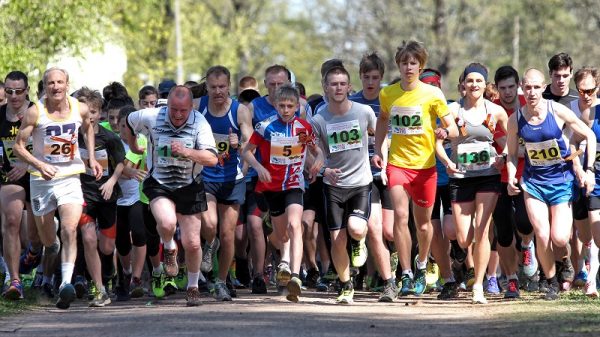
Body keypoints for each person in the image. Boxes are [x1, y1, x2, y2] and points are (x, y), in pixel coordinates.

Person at [373, 40, 458, 297]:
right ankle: (406, 273)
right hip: (398, 164)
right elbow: (383, 121)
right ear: (398, 65)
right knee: (400, 216)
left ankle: (422, 264)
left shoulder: (432, 94)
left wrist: (444, 131)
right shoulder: (388, 94)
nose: (409, 67)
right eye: (404, 63)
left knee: (423, 225)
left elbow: (453, 128)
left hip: (425, 166)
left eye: (414, 63)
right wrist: (379, 150)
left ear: (420, 66)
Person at [13, 67, 103, 309]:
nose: (55, 87)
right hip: (41, 179)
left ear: (67, 83)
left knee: (70, 228)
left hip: (70, 175)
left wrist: (91, 158)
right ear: (45, 85)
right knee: (48, 240)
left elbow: (88, 127)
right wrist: (39, 164)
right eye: (51, 83)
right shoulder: (35, 112)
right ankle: (45, 249)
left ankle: (65, 284)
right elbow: (18, 146)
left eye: (60, 82)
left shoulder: (79, 108)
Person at [122, 85, 217, 306]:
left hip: (189, 184)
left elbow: (211, 159)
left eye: (183, 111)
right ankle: (169, 248)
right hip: (159, 183)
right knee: (166, 222)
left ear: (191, 107)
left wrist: (187, 152)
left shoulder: (200, 122)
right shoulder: (151, 116)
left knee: (193, 242)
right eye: (173, 109)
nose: (177, 115)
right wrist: (134, 145)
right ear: (167, 104)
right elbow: (127, 121)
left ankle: (193, 287)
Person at [506, 68, 596, 300]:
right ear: (522, 89)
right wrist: (511, 176)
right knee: (542, 235)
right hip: (533, 183)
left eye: (536, 87)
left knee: (560, 237)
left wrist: (587, 170)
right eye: (528, 87)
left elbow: (589, 135)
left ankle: (564, 259)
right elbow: (512, 155)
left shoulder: (556, 111)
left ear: (543, 87)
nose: (532, 92)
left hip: (561, 181)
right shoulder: (515, 119)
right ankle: (551, 281)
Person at [435, 63, 508, 304]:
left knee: (483, 229)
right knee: (464, 238)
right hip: (460, 177)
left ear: (484, 84)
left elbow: (509, 140)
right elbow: (438, 142)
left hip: (488, 176)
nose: (474, 85)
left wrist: (503, 157)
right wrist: (446, 161)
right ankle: (465, 259)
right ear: (463, 84)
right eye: (470, 81)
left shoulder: (496, 111)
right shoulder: (452, 110)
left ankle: (478, 284)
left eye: (478, 81)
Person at [243, 84, 323, 302]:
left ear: (297, 106)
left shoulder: (303, 128)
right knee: (281, 235)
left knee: (295, 225)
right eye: (282, 106)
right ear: (275, 105)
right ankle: (284, 261)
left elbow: (318, 151)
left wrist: (318, 164)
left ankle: (296, 276)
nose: (286, 110)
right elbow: (246, 152)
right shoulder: (266, 127)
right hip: (271, 188)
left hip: (294, 184)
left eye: (290, 106)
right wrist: (259, 168)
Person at [311, 65, 376, 304]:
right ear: (325, 88)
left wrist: (380, 155)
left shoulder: (364, 111)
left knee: (356, 228)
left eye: (342, 84)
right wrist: (323, 167)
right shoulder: (318, 119)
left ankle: (359, 242)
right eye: (333, 84)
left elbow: (379, 135)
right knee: (336, 238)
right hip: (333, 184)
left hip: (360, 182)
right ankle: (346, 284)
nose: (338, 88)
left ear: (349, 87)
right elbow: (312, 150)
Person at [197, 66, 254, 301]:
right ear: (207, 87)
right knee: (209, 224)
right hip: (206, 176)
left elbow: (251, 142)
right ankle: (211, 243)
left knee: (229, 234)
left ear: (229, 86)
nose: (218, 91)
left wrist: (238, 143)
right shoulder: (197, 106)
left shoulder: (239, 110)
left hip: (232, 178)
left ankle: (220, 281)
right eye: (213, 87)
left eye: (222, 87)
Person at [349, 52, 397, 302]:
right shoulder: (352, 102)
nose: (370, 82)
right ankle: (388, 280)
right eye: (366, 77)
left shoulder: (388, 100)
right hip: (363, 173)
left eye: (375, 77)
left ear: (382, 78)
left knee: (390, 231)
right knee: (374, 228)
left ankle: (394, 260)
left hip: (388, 169)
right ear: (360, 77)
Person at [74, 87, 125, 307]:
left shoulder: (109, 138)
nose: (89, 116)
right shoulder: (72, 135)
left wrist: (112, 181)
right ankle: (99, 288)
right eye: (85, 112)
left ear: (99, 113)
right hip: (82, 194)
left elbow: (121, 163)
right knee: (88, 238)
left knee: (106, 246)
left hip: (106, 195)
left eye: (93, 112)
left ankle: (109, 269)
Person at [491, 65, 537, 298]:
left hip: (526, 174)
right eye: (503, 88)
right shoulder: (492, 110)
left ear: (518, 85)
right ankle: (511, 279)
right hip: (498, 178)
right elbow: (491, 143)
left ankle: (528, 246)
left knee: (525, 223)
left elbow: (533, 143)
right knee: (504, 232)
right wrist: (496, 157)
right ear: (497, 89)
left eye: (511, 87)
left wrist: (514, 152)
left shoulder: (528, 104)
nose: (507, 92)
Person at [0, 71, 40, 300]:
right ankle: (14, 281)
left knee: (37, 236)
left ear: (27, 91)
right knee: (12, 221)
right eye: (9, 91)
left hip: (35, 173)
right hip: (9, 176)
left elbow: (48, 146)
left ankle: (34, 252)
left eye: (18, 91)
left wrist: (27, 164)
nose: (14, 96)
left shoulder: (37, 112)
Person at [570, 66, 600, 297]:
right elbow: (575, 141)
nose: (586, 95)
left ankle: (591, 280)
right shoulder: (581, 113)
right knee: (589, 234)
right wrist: (581, 167)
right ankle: (587, 268)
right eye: (581, 91)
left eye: (590, 90)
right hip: (589, 178)